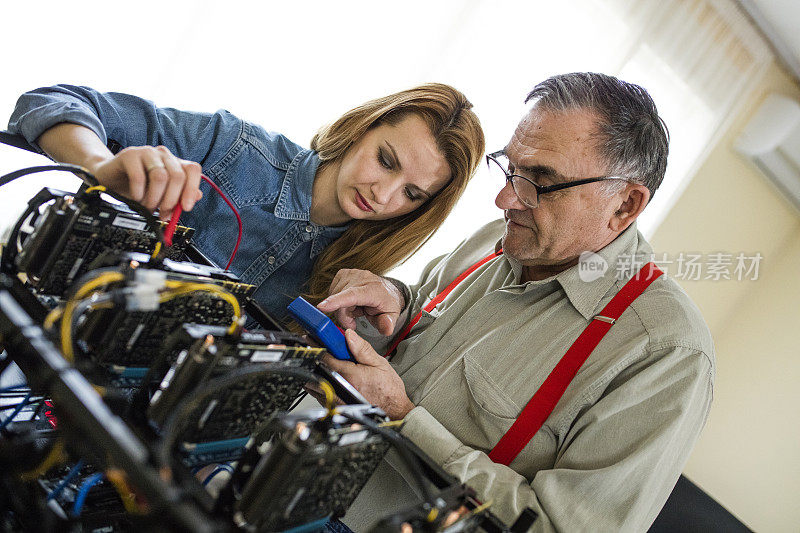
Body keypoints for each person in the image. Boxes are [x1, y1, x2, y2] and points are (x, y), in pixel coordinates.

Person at [316, 72, 715, 531]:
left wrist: (405, 421)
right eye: (510, 168)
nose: (505, 198)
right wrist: (392, 299)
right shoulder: (500, 239)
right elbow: (424, 317)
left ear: (625, 204)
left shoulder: (666, 352)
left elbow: (556, 528)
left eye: (540, 182)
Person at [8, 83, 484, 323]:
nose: (384, 195)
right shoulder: (232, 148)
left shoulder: (351, 279)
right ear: (363, 127)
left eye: (412, 194)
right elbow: (50, 100)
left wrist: (395, 297)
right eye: (385, 160)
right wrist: (100, 165)